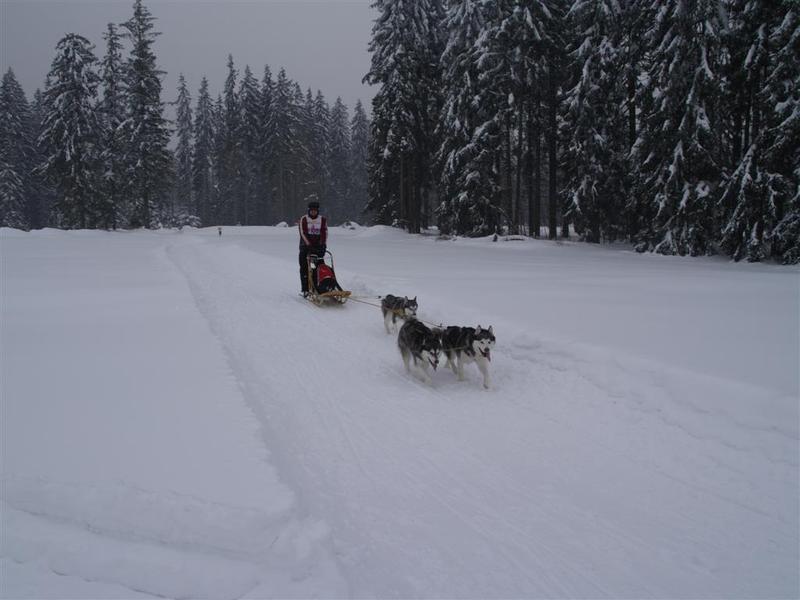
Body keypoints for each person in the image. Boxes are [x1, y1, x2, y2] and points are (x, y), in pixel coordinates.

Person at [298, 198, 327, 296]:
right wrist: (308, 245)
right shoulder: (304, 219)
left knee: (319, 267)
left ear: (317, 211)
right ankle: (305, 289)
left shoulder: (322, 219)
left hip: (318, 247)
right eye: (312, 210)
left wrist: (323, 244)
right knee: (305, 267)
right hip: (305, 247)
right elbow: (303, 233)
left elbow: (324, 232)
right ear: (309, 210)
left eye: (315, 210)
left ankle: (321, 287)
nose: (313, 212)